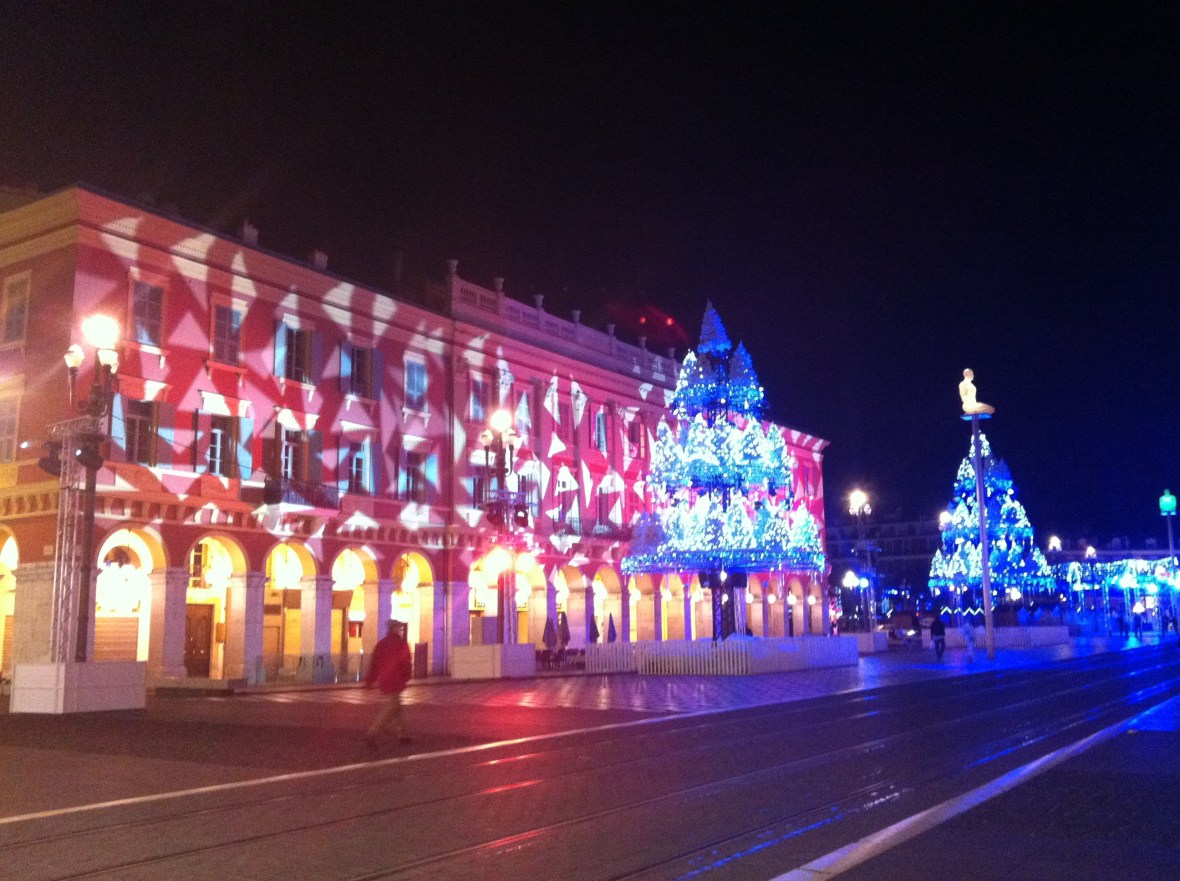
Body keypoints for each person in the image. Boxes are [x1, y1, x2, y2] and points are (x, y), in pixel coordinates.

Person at [364, 621, 413, 749]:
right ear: (395, 629)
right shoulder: (401, 644)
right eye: (399, 628)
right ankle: (372, 733)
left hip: (384, 680)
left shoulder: (381, 644)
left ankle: (403, 734)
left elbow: (374, 664)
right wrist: (406, 676)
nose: (400, 630)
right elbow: (406, 662)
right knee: (390, 708)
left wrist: (370, 680)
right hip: (396, 680)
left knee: (397, 706)